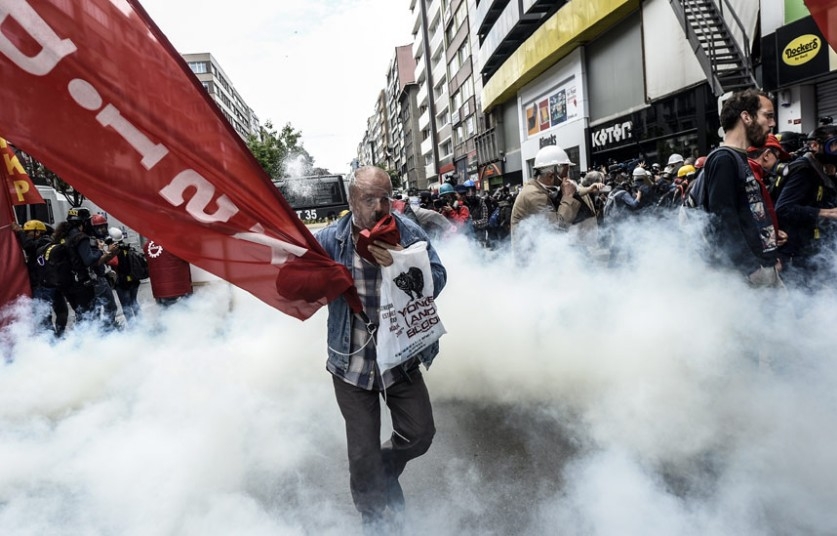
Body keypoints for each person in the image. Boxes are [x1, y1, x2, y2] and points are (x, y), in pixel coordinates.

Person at [315, 166, 447, 532]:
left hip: (400, 359)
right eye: (368, 198)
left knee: (420, 433)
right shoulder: (330, 239)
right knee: (361, 453)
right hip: (351, 363)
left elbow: (438, 277)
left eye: (384, 197)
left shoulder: (406, 230)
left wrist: (406, 261)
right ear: (352, 199)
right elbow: (298, 279)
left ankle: (384, 469)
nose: (378, 206)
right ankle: (374, 519)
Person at [703, 88, 780, 286]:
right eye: (768, 116)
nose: (772, 123)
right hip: (749, 276)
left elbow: (748, 213)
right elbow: (723, 223)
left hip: (762, 268)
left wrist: (770, 249)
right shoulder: (724, 159)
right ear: (746, 116)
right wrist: (752, 270)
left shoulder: (738, 158)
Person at [773, 124, 837, 290]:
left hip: (812, 249)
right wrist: (827, 213)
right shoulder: (804, 169)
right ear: (815, 145)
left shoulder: (821, 169)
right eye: (834, 145)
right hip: (796, 253)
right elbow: (784, 208)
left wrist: (833, 177)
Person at [510, 144, 580, 248]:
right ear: (551, 175)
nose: (567, 178)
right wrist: (568, 196)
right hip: (533, 260)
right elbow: (558, 227)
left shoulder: (537, 190)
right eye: (564, 175)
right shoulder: (535, 195)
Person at [64, 207, 120, 328]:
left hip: (76, 282)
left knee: (88, 314)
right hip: (92, 279)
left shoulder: (67, 237)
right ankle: (108, 332)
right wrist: (104, 251)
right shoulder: (81, 237)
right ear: (84, 222)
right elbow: (90, 261)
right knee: (107, 308)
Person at [12, 219, 68, 335]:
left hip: (43, 286)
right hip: (51, 283)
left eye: (28, 232)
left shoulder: (43, 241)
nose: (26, 234)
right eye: (26, 233)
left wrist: (20, 232)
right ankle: (58, 336)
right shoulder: (48, 242)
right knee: (59, 312)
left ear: (38, 233)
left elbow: (28, 245)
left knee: (45, 316)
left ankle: (52, 338)